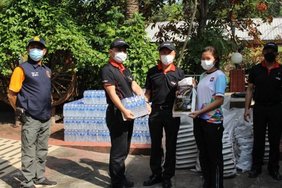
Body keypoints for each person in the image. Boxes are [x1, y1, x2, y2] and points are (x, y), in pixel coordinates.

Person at [7, 36, 57, 188]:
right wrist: (18, 110)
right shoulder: (21, 69)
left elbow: (45, 91)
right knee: (29, 150)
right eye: (33, 47)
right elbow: (11, 93)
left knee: (42, 149)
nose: (36, 50)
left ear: (44, 51)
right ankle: (27, 182)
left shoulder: (47, 70)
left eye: (39, 47)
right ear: (28, 49)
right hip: (30, 116)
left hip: (45, 116)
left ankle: (39, 177)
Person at [100, 38, 145, 188]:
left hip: (128, 113)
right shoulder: (107, 69)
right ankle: (117, 182)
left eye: (124, 50)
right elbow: (111, 93)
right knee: (119, 150)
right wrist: (123, 110)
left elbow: (134, 85)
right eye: (119, 50)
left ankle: (120, 177)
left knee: (124, 147)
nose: (122, 53)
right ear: (111, 51)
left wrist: (144, 100)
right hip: (117, 113)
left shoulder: (124, 69)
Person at [143, 41, 185, 188]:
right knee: (155, 144)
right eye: (163, 52)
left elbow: (184, 94)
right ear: (159, 54)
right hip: (155, 111)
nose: (165, 55)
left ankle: (168, 176)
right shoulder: (152, 71)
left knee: (171, 144)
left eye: (168, 52)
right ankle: (156, 174)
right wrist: (144, 104)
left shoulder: (179, 73)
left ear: (174, 54)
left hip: (172, 112)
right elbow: (148, 92)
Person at [189, 46, 227, 188]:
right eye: (203, 58)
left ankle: (217, 184)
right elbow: (202, 95)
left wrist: (200, 112)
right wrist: (194, 86)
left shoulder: (220, 76)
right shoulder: (203, 75)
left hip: (213, 121)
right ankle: (208, 182)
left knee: (214, 156)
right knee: (203, 154)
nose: (205, 61)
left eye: (208, 58)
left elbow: (219, 100)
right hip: (199, 121)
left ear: (215, 60)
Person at [244, 42, 282, 180]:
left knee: (275, 140)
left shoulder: (281, 70)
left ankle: (274, 169)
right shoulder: (255, 70)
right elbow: (249, 89)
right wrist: (247, 108)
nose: (269, 53)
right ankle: (256, 168)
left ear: (276, 54)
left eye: (272, 51)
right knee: (258, 139)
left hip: (276, 109)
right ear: (263, 52)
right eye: (267, 50)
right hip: (259, 108)